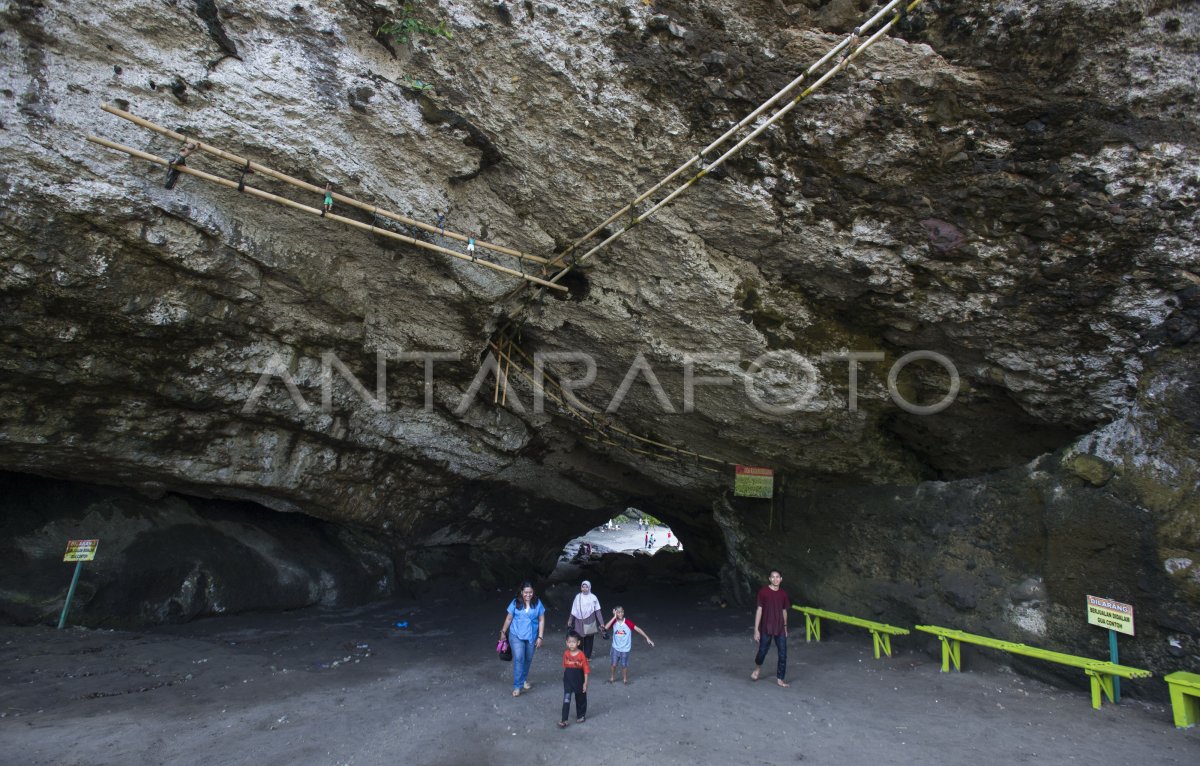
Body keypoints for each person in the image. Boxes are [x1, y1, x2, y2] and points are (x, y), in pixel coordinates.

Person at [499, 581, 545, 697]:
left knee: (528, 658)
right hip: (516, 635)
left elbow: (541, 620)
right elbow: (509, 618)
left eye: (530, 592)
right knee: (519, 658)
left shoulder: (537, 603)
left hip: (531, 636)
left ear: (533, 592)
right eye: (526, 592)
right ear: (521, 592)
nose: (528, 595)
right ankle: (517, 686)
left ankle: (523, 679)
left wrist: (540, 636)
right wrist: (503, 632)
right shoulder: (515, 602)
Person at [751, 570, 791, 687]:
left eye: (777, 577)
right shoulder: (764, 592)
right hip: (766, 627)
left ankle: (780, 678)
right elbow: (759, 610)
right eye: (773, 577)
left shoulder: (783, 594)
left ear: (781, 579)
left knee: (783, 654)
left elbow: (784, 611)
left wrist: (785, 627)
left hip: (779, 627)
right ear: (769, 579)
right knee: (762, 651)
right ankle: (757, 668)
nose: (775, 579)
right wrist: (756, 629)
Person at [603, 606, 654, 684]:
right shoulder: (614, 622)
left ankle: (625, 679)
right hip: (615, 648)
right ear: (615, 613)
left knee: (624, 665)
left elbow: (638, 629)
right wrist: (614, 617)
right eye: (618, 612)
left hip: (625, 649)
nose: (620, 614)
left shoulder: (627, 622)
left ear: (623, 612)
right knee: (613, 664)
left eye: (621, 612)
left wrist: (647, 638)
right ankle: (612, 677)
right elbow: (605, 628)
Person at [558, 631, 590, 727]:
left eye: (574, 642)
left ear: (578, 643)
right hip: (568, 681)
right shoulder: (566, 654)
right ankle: (564, 719)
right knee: (566, 699)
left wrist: (585, 683)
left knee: (580, 699)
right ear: (566, 643)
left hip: (579, 681)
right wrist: (565, 680)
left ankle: (581, 715)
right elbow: (565, 668)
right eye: (569, 642)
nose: (571, 644)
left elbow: (586, 670)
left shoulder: (581, 655)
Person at [567, 580, 604, 659]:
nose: (584, 589)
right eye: (582, 587)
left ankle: (587, 656)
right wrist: (570, 620)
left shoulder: (593, 598)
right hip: (578, 620)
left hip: (590, 620)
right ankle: (579, 655)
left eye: (586, 587)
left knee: (589, 639)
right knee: (578, 638)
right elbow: (573, 610)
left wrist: (601, 623)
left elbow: (597, 611)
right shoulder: (578, 597)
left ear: (589, 588)